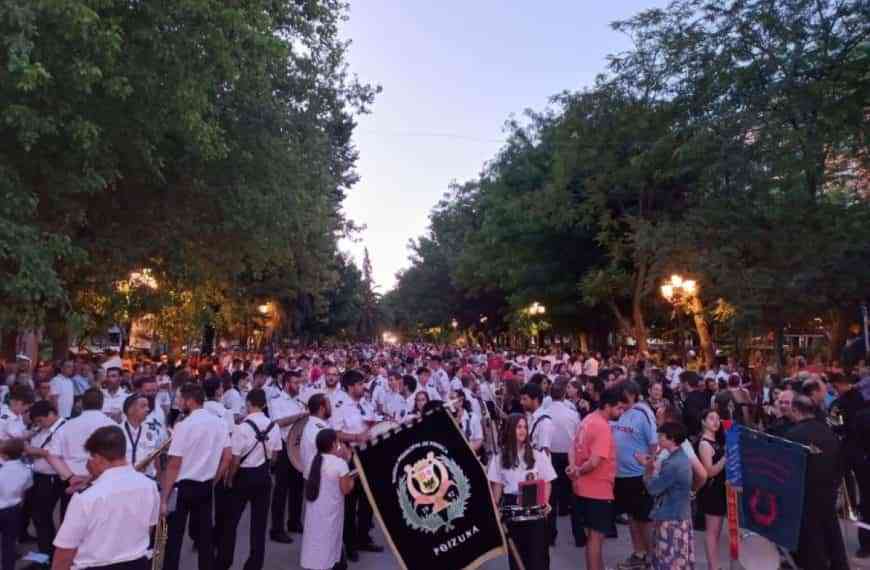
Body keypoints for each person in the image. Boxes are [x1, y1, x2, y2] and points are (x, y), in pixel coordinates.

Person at [51, 426, 159, 570]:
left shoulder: (87, 497)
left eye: (90, 458)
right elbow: (149, 528)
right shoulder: (150, 486)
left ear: (99, 458)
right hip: (138, 563)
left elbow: (65, 552)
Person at [161, 383, 232, 570]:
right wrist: (213, 479)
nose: (178, 402)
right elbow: (227, 458)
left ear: (190, 401)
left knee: (174, 538)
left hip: (182, 487)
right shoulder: (220, 422)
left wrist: (164, 498)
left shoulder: (183, 426)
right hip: (206, 485)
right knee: (205, 537)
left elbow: (174, 465)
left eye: (180, 399)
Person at [217, 389, 282, 570]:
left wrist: (230, 479)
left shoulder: (242, 427)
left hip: (243, 477)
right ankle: (254, 565)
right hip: (264, 477)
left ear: (249, 404)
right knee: (259, 525)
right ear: (263, 404)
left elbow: (235, 459)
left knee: (231, 522)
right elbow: (275, 456)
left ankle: (223, 561)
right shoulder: (273, 426)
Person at [786, 395, 849, 570]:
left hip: (806, 495)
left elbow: (790, 470)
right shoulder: (828, 432)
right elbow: (841, 463)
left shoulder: (794, 434)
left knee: (812, 540)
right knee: (832, 533)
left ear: (795, 410)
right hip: (828, 492)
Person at [488, 413, 556, 570]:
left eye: (525, 427)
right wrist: (495, 510)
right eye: (518, 427)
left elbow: (547, 481)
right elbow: (497, 488)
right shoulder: (499, 458)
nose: (523, 430)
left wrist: (545, 502)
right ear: (510, 429)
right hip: (512, 510)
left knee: (538, 558)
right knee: (518, 560)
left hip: (535, 507)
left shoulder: (537, 454)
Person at [567, 388, 623, 570]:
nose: (620, 412)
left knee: (593, 537)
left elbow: (572, 447)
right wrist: (578, 471)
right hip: (598, 491)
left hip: (582, 489)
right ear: (608, 406)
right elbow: (594, 462)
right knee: (596, 539)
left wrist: (574, 468)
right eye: (618, 408)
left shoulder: (587, 420)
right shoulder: (602, 427)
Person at [331, 369, 382, 561]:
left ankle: (364, 538)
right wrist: (355, 437)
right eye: (360, 384)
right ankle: (350, 543)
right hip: (350, 455)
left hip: (368, 454)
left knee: (368, 499)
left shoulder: (364, 403)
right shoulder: (340, 404)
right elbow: (334, 432)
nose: (363, 387)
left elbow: (370, 423)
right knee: (350, 502)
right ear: (350, 386)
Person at [47, 388, 116, 515]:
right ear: (102, 403)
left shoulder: (66, 426)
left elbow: (52, 456)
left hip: (74, 482)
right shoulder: (113, 426)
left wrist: (70, 477)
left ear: (82, 403)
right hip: (102, 483)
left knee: (70, 528)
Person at [613, 380, 658, 570]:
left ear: (632, 394)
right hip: (622, 476)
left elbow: (654, 444)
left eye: (623, 395)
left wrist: (649, 468)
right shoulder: (623, 412)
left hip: (638, 475)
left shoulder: (643, 413)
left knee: (645, 519)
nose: (620, 400)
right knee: (632, 516)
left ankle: (653, 558)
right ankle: (638, 553)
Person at [638, 422, 694, 570]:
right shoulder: (681, 458)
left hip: (670, 518)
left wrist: (648, 468)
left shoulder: (672, 463)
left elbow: (653, 488)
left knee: (668, 560)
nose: (659, 439)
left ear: (672, 439)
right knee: (678, 560)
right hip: (680, 515)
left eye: (661, 437)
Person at [300, 429, 355, 570]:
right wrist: (350, 467)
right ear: (333, 444)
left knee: (315, 543)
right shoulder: (339, 464)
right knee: (329, 545)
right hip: (331, 512)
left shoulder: (313, 460)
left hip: (315, 512)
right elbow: (346, 489)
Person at [23, 401, 67, 564]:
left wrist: (29, 450)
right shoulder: (44, 428)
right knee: (39, 515)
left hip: (52, 478)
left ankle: (48, 554)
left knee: (42, 515)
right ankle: (46, 551)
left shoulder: (63, 429)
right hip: (39, 476)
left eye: (40, 420)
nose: (38, 425)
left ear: (51, 414)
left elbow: (52, 453)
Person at [267, 370, 307, 542]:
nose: (298, 386)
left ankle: (295, 521)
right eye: (295, 383)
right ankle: (276, 528)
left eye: (299, 383)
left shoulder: (298, 401)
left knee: (297, 487)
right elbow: (277, 422)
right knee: (281, 489)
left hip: (297, 447)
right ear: (286, 383)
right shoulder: (276, 401)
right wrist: (299, 416)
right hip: (283, 447)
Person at [696, 408, 726, 570]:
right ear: (703, 422)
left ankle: (715, 565)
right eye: (711, 418)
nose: (716, 422)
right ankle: (714, 567)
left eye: (718, 419)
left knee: (716, 532)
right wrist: (726, 458)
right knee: (712, 532)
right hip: (712, 491)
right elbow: (709, 472)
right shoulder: (704, 444)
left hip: (720, 490)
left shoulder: (717, 441)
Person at [548, 379, 580, 519]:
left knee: (553, 482)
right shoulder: (572, 413)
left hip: (551, 452)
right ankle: (564, 507)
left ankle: (553, 507)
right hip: (568, 452)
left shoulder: (543, 412)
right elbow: (578, 433)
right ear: (563, 395)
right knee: (566, 482)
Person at [0, 438, 32, 570]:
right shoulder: (26, 470)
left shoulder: (2, 470)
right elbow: (27, 487)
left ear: (5, 455)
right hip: (13, 509)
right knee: (9, 543)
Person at [121, 394, 166, 479]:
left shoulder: (152, 432)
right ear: (130, 410)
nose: (148, 409)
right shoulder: (117, 432)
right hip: (123, 480)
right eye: (143, 406)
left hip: (147, 481)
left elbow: (157, 462)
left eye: (147, 406)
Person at [301, 394, 331, 481]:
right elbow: (334, 452)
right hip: (321, 479)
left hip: (313, 476)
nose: (331, 407)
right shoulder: (321, 429)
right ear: (322, 409)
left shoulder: (311, 425)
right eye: (329, 405)